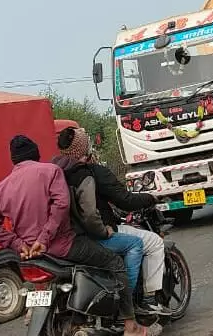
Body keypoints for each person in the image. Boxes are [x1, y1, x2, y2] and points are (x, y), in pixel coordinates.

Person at [0, 135, 160, 336]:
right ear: (37, 154)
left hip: (31, 254)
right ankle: (130, 325)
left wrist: (19, 244)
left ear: (14, 160)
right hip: (64, 246)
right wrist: (44, 238)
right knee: (115, 263)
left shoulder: (2, 187)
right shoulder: (50, 172)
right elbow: (62, 205)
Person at [55, 126, 166, 313]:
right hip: (95, 233)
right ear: (84, 148)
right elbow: (122, 201)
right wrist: (149, 198)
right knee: (148, 243)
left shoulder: (56, 172)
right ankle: (141, 300)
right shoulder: (89, 173)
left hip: (70, 238)